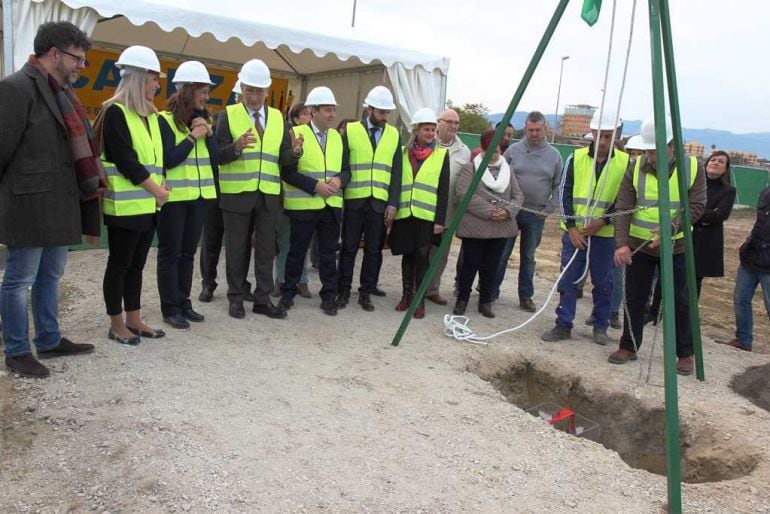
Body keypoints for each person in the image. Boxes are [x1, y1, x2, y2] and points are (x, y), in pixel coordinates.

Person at [0, 21, 98, 378]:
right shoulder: (15, 88)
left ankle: (49, 338)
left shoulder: (63, 92)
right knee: (18, 279)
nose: (81, 66)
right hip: (28, 205)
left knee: (50, 275)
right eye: (78, 59)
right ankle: (16, 350)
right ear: (54, 53)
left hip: (58, 205)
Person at [609, 115, 706, 376]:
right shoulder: (635, 166)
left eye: (656, 151)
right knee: (634, 297)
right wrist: (621, 244)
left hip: (676, 247)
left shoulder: (693, 168)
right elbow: (623, 207)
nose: (651, 156)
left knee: (680, 301)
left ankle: (685, 353)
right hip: (639, 246)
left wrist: (670, 228)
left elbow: (696, 206)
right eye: (648, 151)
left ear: (672, 146)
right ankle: (629, 345)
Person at [215, 59, 303, 320]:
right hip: (237, 194)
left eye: (259, 90)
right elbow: (217, 156)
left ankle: (263, 300)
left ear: (267, 91)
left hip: (267, 195)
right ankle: (236, 296)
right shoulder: (226, 115)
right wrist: (237, 147)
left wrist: (296, 152)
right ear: (241, 89)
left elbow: (284, 157)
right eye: (249, 90)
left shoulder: (278, 118)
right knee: (236, 248)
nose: (254, 96)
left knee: (266, 249)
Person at [96, 45, 170, 346]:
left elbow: (154, 160)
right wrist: (157, 190)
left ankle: (134, 318)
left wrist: (160, 189)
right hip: (126, 209)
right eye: (153, 78)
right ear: (138, 78)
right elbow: (126, 160)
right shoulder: (115, 112)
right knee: (119, 265)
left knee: (137, 266)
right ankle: (116, 324)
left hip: (148, 206)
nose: (157, 84)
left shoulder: (150, 116)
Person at [542, 110, 629, 345]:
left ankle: (600, 326)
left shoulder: (625, 162)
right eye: (599, 135)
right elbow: (564, 193)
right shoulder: (575, 158)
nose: (603, 142)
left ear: (615, 136)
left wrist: (603, 221)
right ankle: (563, 324)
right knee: (569, 278)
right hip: (575, 233)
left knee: (604, 282)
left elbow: (624, 200)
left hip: (605, 235)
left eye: (608, 136)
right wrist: (571, 227)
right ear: (592, 132)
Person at [156, 61, 221, 329]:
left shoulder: (204, 120)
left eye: (207, 91)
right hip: (173, 200)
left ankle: (184, 302)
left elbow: (216, 158)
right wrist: (193, 136)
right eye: (202, 91)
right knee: (170, 254)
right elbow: (169, 160)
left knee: (187, 254)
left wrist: (208, 132)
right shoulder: (164, 120)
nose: (206, 96)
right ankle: (170, 308)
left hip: (199, 198)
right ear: (186, 91)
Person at [279, 86, 349, 316]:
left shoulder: (338, 138)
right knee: (297, 252)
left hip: (331, 206)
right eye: (327, 110)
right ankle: (288, 293)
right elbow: (287, 171)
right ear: (313, 111)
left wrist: (339, 180)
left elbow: (347, 170)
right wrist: (315, 186)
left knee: (329, 254)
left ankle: (329, 296)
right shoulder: (296, 134)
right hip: (304, 206)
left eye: (333, 110)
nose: (332, 115)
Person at [336, 86, 402, 311]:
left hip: (379, 203)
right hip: (354, 200)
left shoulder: (394, 134)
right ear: (370, 109)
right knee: (349, 248)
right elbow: (343, 165)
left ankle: (366, 292)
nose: (385, 116)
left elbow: (396, 172)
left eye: (387, 113)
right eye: (381, 112)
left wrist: (393, 203)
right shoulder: (351, 130)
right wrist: (342, 197)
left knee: (373, 250)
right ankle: (343, 290)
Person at [453, 129, 523, 318]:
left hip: (501, 229)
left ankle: (485, 301)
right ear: (483, 149)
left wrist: (507, 211)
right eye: (490, 151)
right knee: (469, 265)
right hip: (475, 228)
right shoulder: (471, 169)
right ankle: (462, 299)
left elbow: (518, 195)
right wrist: (491, 212)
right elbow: (464, 194)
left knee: (491, 266)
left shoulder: (508, 170)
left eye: (497, 151)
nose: (494, 155)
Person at [497, 111, 563, 311]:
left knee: (528, 257)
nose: (534, 133)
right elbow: (499, 176)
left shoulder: (555, 156)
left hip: (536, 215)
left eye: (538, 130)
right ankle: (490, 290)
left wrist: (550, 208)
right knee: (502, 253)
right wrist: (502, 205)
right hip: (511, 212)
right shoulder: (513, 151)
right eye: (530, 130)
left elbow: (559, 185)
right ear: (525, 128)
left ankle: (525, 296)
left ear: (545, 129)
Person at [198, 81, 256, 304]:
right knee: (212, 239)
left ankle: (240, 285)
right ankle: (208, 284)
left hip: (242, 192)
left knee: (241, 244)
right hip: (218, 189)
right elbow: (217, 155)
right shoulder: (223, 117)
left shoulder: (259, 122)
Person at [389, 108, 450, 319]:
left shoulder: (442, 155)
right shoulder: (404, 153)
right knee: (407, 255)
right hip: (406, 213)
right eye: (426, 129)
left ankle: (419, 299)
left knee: (423, 256)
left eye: (433, 129)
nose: (430, 133)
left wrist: (440, 220)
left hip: (427, 215)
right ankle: (407, 295)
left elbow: (444, 190)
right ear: (416, 130)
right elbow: (396, 181)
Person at [425, 108, 471, 305]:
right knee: (419, 250)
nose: (453, 126)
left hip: (448, 213)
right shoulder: (426, 143)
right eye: (449, 122)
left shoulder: (464, 151)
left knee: (440, 253)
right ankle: (411, 287)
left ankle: (431, 289)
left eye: (456, 123)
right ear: (439, 122)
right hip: (423, 206)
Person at [719, 184, 770, 352]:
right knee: (741, 299)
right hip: (752, 255)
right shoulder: (766, 192)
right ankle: (743, 340)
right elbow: (759, 224)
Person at [272, 102, 313, 299]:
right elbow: (285, 165)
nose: (309, 117)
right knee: (285, 240)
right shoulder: (287, 134)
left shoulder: (315, 136)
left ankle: (301, 281)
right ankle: (281, 280)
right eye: (306, 114)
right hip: (287, 197)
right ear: (295, 118)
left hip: (308, 198)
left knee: (302, 243)